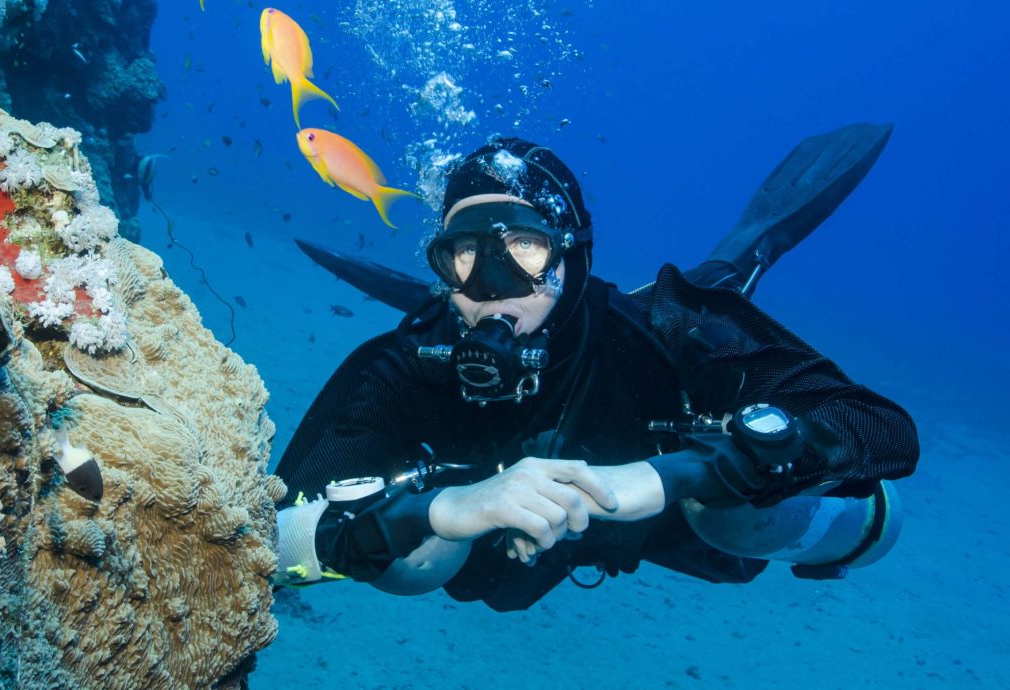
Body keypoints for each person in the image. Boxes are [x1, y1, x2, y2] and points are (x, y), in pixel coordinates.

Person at [273, 136, 919, 612]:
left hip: (658, 506)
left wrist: (673, 474)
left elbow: (881, 428)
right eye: (464, 254)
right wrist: (442, 509)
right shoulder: (407, 364)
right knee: (415, 560)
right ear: (442, 266)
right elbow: (261, 541)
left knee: (757, 521)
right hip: (485, 548)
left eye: (524, 249)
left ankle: (739, 258)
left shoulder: (661, 332)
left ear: (572, 258)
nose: (491, 286)